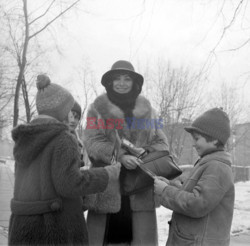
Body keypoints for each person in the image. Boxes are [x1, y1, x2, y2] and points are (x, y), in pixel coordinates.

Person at [8, 74, 120, 245]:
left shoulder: (25, 139)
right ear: (61, 110)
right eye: (69, 109)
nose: (71, 115)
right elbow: (70, 184)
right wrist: (106, 174)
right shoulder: (63, 138)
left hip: (23, 229)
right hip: (54, 230)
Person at [83, 60, 169, 245]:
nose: (122, 83)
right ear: (110, 82)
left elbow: (162, 144)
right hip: (106, 185)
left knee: (139, 239)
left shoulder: (150, 112)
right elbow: (91, 141)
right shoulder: (95, 110)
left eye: (127, 78)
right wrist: (120, 157)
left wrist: (140, 154)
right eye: (117, 79)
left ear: (134, 83)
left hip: (141, 187)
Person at [154, 108, 235, 246]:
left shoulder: (217, 167)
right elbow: (192, 193)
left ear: (215, 139)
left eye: (197, 139)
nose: (193, 143)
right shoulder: (207, 163)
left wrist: (165, 191)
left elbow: (197, 204)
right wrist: (169, 184)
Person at [68, 100, 85, 166]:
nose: (73, 121)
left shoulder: (79, 143)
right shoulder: (56, 137)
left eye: (76, 117)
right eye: (70, 116)